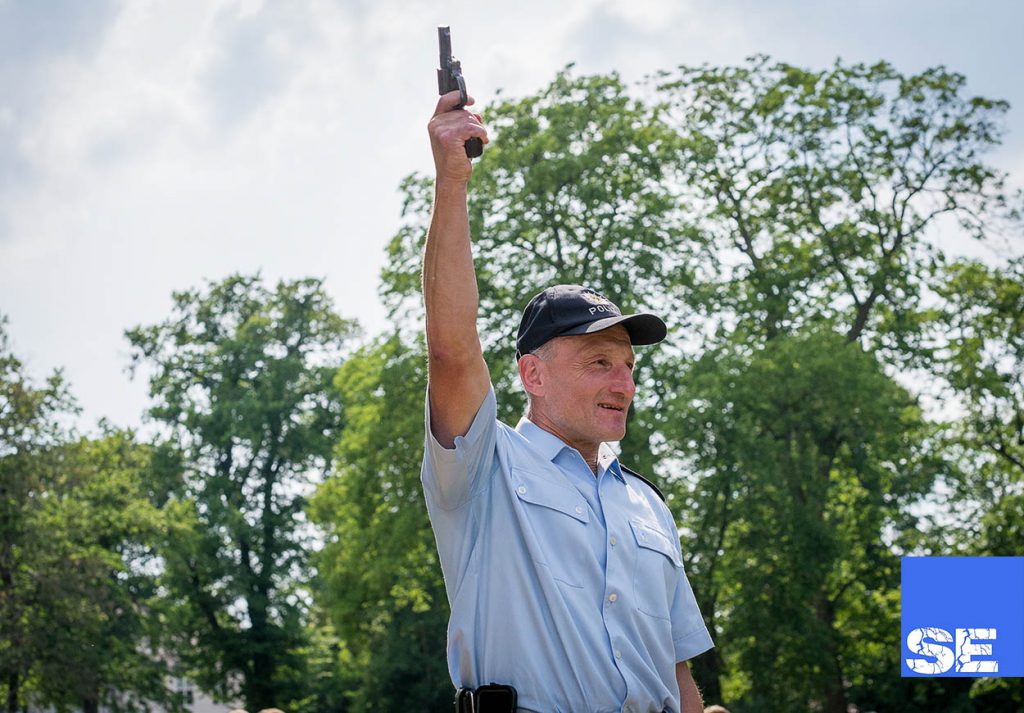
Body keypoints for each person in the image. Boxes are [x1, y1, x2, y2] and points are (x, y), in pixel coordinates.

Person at [421, 89, 713, 712]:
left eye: (630, 366)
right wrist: (452, 181)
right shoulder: (483, 470)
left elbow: (678, 674)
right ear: (533, 375)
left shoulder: (647, 505)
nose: (624, 384)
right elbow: (451, 348)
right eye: (599, 363)